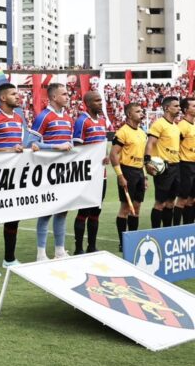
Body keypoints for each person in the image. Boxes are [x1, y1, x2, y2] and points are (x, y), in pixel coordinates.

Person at [0, 82, 33, 272]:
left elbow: (17, 145)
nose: (18, 97)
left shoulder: (18, 118)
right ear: (3, 98)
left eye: (18, 94)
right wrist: (7, 150)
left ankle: (9, 259)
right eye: (13, 94)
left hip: (14, 176)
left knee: (13, 218)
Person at [30, 83, 74, 260]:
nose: (67, 96)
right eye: (64, 94)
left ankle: (59, 251)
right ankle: (41, 253)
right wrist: (56, 146)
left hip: (65, 172)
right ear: (54, 97)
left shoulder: (68, 118)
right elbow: (31, 143)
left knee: (62, 210)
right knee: (46, 211)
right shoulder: (44, 116)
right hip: (47, 171)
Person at [71, 91, 110, 254]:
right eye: (96, 100)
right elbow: (78, 148)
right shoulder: (82, 121)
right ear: (87, 103)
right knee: (84, 211)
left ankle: (92, 246)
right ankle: (78, 248)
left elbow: (101, 145)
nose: (100, 103)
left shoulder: (102, 121)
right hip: (88, 175)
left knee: (96, 211)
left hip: (102, 174)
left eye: (101, 100)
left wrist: (105, 156)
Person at [110, 103, 148, 251]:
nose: (141, 113)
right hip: (127, 171)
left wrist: (144, 176)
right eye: (138, 111)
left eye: (141, 110)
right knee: (125, 208)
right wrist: (120, 175)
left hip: (139, 172)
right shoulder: (122, 132)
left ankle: (133, 240)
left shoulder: (142, 132)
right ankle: (123, 242)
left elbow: (142, 156)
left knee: (137, 207)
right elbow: (113, 155)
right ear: (129, 115)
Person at [145, 96, 182, 228]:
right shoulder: (159, 124)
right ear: (167, 108)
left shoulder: (176, 127)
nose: (179, 108)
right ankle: (156, 232)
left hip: (176, 167)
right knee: (160, 203)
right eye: (176, 106)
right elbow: (150, 143)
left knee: (171, 202)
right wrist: (147, 162)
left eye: (179, 106)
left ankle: (167, 232)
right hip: (164, 168)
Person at [178, 98, 195, 225]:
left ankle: (189, 227)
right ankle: (177, 229)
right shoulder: (182, 126)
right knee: (183, 199)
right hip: (185, 166)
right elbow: (175, 144)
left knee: (192, 199)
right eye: (193, 106)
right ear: (186, 110)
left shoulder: (193, 124)